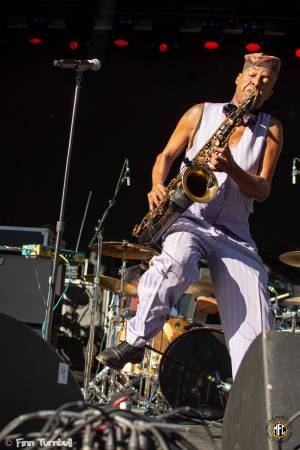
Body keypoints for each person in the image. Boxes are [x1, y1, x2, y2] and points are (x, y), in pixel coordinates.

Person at [96, 53, 283, 379]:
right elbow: (165, 155)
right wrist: (156, 185)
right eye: (252, 76)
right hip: (190, 217)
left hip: (234, 233)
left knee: (257, 309)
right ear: (238, 79)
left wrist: (233, 169)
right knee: (178, 258)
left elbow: (263, 189)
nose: (256, 84)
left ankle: (252, 391)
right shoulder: (201, 113)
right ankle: (135, 340)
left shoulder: (272, 128)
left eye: (265, 82)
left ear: (269, 94)